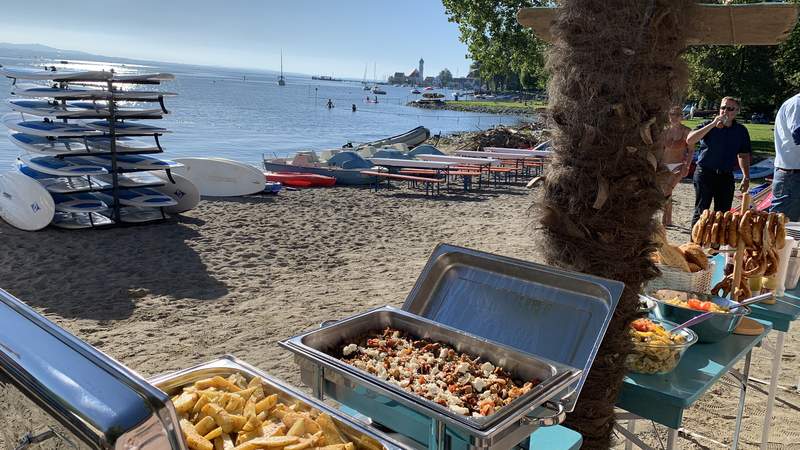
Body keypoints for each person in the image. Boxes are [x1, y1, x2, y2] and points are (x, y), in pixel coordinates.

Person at [686, 96, 752, 226]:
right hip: (705, 173)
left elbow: (743, 155)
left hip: (725, 175)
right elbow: (690, 140)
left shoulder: (740, 131)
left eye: (730, 108)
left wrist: (746, 176)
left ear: (737, 111)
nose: (725, 111)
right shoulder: (707, 125)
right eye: (722, 107)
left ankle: (715, 245)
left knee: (722, 214)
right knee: (701, 211)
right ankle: (695, 244)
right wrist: (712, 125)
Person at [661, 106, 693, 227]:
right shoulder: (664, 130)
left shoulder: (686, 131)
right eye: (671, 114)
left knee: (668, 190)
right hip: (664, 165)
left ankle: (665, 220)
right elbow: (660, 148)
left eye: (677, 115)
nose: (674, 117)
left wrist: (687, 166)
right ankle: (668, 219)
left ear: (681, 116)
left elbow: (691, 151)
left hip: (678, 165)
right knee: (665, 191)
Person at [770, 93, 800, 220]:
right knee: (781, 229)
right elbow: (798, 134)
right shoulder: (797, 104)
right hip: (791, 177)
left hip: (793, 175)